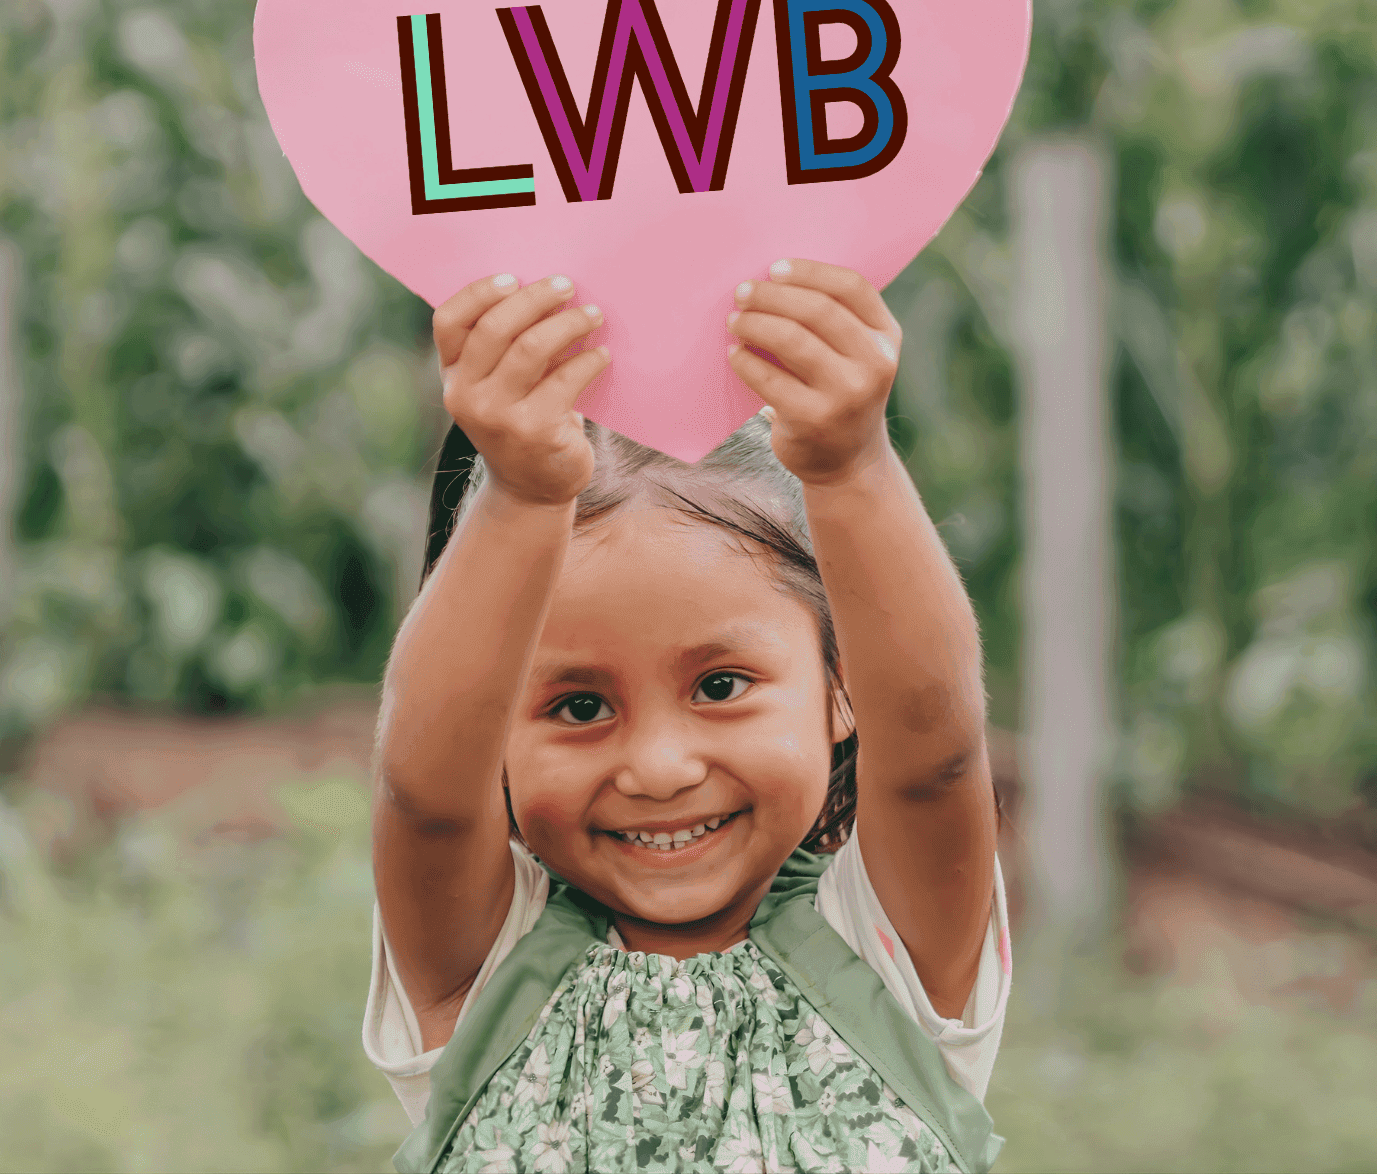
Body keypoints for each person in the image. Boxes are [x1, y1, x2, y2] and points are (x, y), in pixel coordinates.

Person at [363, 262, 1008, 1173]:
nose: (659, 767)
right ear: (494, 738)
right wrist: (521, 495)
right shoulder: (482, 966)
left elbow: (937, 754)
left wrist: (854, 468)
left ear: (839, 685)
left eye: (720, 686)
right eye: (580, 706)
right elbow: (422, 794)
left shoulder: (888, 947)